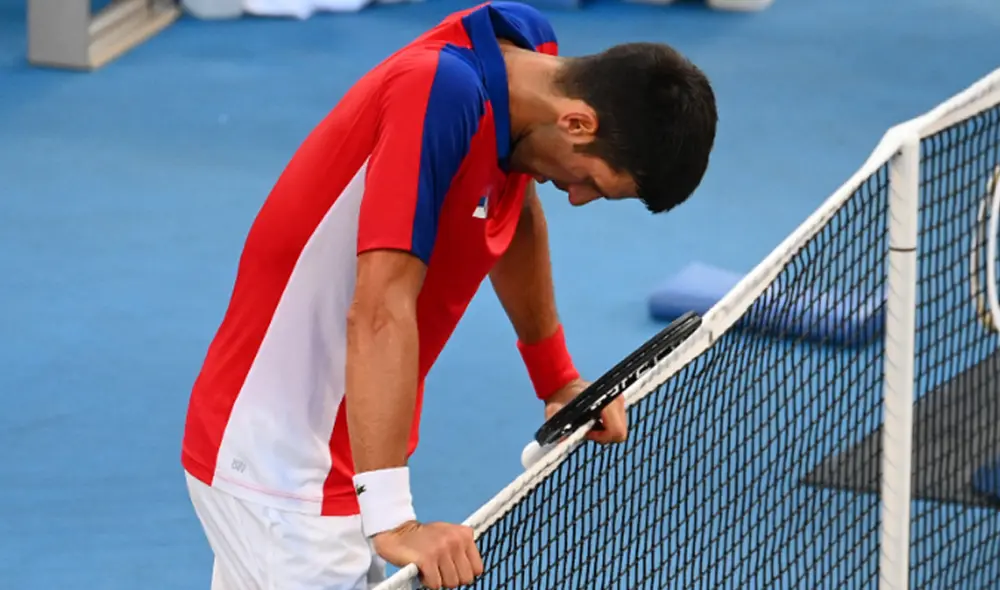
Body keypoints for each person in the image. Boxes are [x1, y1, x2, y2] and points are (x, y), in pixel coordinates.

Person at [180, 2, 718, 589]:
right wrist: (394, 519)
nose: (577, 198)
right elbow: (380, 308)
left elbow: (516, 212)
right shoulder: (439, 94)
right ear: (577, 123)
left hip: (338, 456)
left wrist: (557, 379)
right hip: (284, 468)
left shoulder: (527, 61)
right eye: (592, 180)